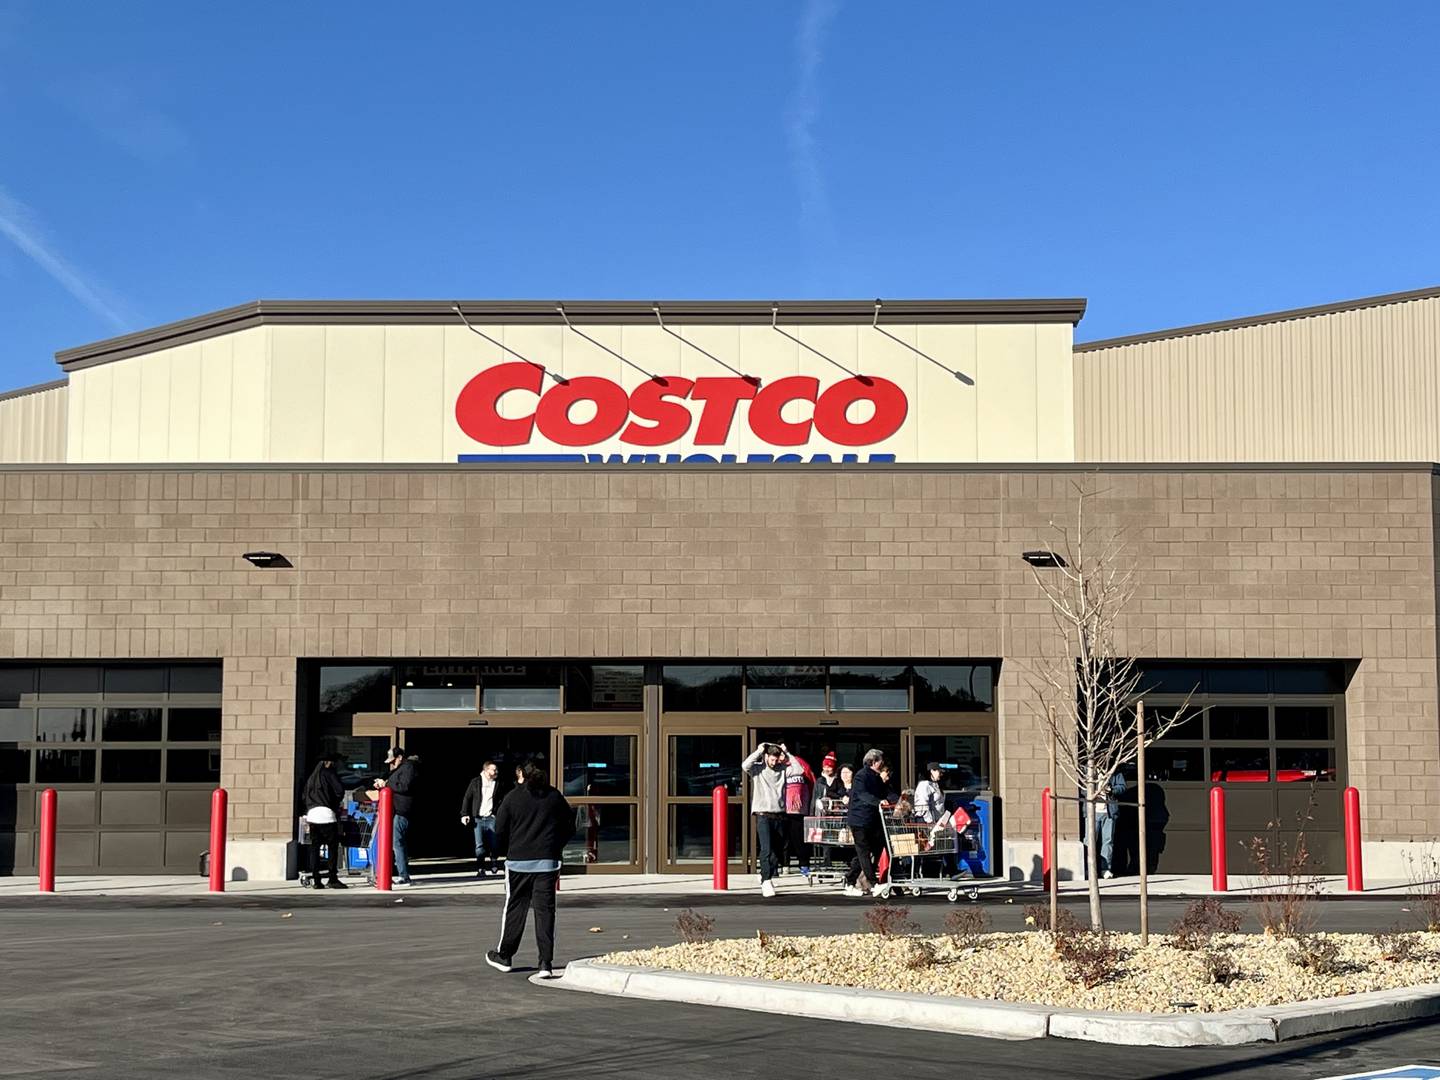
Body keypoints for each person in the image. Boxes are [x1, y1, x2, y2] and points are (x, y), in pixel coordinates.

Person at [486, 759, 574, 979]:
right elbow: (569, 826)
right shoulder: (554, 797)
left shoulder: (512, 798)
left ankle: (505, 955)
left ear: (520, 774)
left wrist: (506, 848)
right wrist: (555, 847)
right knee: (545, 911)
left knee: (515, 907)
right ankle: (545, 962)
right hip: (547, 862)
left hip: (518, 862)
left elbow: (499, 830)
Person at [741, 741, 788, 898]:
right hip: (763, 814)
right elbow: (745, 765)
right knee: (766, 849)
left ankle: (766, 875)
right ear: (766, 756)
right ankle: (766, 880)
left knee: (778, 851)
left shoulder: (783, 769)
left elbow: (799, 769)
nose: (774, 762)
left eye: (777, 759)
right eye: (772, 759)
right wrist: (758, 751)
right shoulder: (758, 769)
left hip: (779, 814)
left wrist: (787, 754)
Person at [844, 749, 891, 898]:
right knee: (864, 851)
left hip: (870, 820)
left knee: (864, 852)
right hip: (859, 820)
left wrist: (899, 800)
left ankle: (849, 881)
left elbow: (885, 792)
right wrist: (878, 802)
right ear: (873, 762)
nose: (882, 764)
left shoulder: (876, 778)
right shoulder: (861, 776)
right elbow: (862, 794)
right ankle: (873, 882)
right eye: (880, 761)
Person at [371, 746, 418, 887]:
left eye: (393, 761)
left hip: (401, 810)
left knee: (397, 842)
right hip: (395, 810)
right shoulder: (400, 768)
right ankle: (397, 873)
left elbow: (404, 786)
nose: (391, 764)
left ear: (400, 757)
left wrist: (386, 783)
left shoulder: (408, 768)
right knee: (394, 843)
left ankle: (404, 875)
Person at [301, 757, 347, 889]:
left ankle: (317, 880)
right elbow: (339, 791)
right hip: (327, 815)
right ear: (329, 763)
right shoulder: (329, 774)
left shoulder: (311, 778)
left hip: (313, 816)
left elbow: (304, 796)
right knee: (332, 848)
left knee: (315, 848)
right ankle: (332, 878)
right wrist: (334, 803)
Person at [461, 760, 506, 877]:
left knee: (494, 844)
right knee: (479, 846)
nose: (496, 772)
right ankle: (481, 868)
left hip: (492, 818)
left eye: (496, 770)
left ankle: (494, 860)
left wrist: (497, 813)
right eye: (493, 770)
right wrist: (464, 814)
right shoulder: (475, 782)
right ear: (486, 771)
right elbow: (467, 798)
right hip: (478, 819)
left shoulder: (498, 783)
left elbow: (503, 800)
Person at [782, 749, 814, 877]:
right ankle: (785, 864)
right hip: (783, 809)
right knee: (784, 840)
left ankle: (804, 865)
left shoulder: (800, 764)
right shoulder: (779, 767)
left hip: (799, 810)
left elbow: (810, 782)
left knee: (799, 839)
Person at [1098, 772, 1127, 878]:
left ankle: (1105, 869)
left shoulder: (1115, 772)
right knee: (1090, 841)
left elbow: (1122, 787)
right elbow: (1082, 789)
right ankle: (1089, 868)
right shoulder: (1087, 770)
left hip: (1109, 811)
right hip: (1092, 811)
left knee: (1108, 840)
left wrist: (1111, 790)